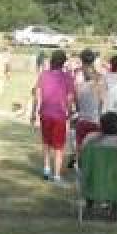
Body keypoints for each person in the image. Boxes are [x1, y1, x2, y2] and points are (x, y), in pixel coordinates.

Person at [31, 49, 74, 182]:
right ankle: (56, 175)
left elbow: (36, 95)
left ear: (51, 61)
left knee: (46, 142)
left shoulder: (43, 75)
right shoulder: (68, 77)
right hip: (59, 115)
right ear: (63, 63)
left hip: (45, 113)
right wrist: (69, 112)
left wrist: (33, 112)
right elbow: (70, 98)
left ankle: (46, 169)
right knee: (59, 146)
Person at [73, 49, 105, 153]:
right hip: (95, 119)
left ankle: (79, 165)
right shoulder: (99, 77)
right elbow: (102, 100)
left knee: (80, 146)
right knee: (93, 148)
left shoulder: (77, 74)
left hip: (82, 118)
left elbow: (76, 99)